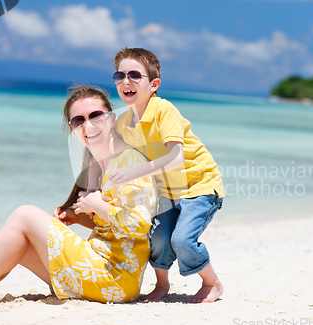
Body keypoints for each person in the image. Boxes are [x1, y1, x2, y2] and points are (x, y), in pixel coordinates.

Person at [0, 85, 156, 303]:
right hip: (101, 270)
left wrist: (97, 206)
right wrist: (80, 217)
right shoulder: (97, 165)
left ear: (111, 118)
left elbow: (139, 227)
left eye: (96, 116)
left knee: (25, 215)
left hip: (114, 278)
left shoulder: (130, 161)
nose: (87, 125)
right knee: (17, 245)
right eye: (78, 120)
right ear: (72, 128)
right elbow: (116, 231)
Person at [94, 47, 225, 303]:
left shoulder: (165, 111)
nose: (126, 81)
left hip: (199, 186)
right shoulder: (123, 123)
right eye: (119, 76)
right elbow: (106, 153)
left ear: (154, 84)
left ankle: (212, 283)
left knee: (182, 240)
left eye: (134, 75)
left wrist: (133, 172)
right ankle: (162, 285)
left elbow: (175, 158)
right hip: (166, 191)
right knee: (159, 241)